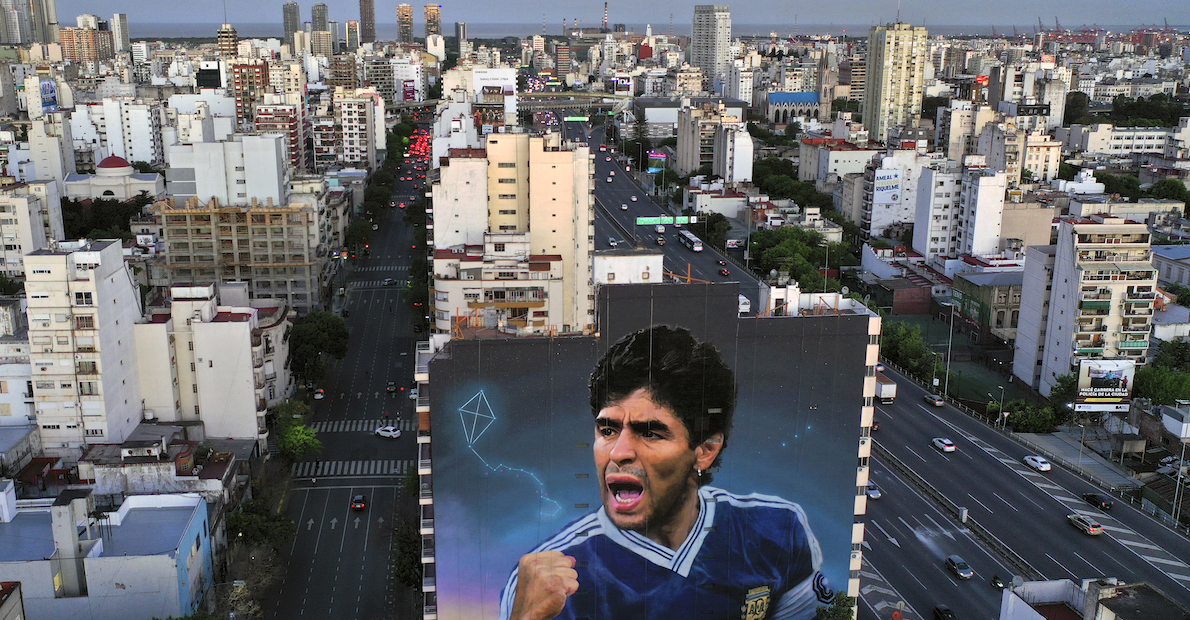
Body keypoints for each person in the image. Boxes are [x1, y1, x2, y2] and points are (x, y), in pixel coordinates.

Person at [500, 325, 831, 620]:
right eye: (608, 430)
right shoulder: (550, 581)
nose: (619, 453)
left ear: (705, 450)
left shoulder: (777, 531)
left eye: (650, 432)